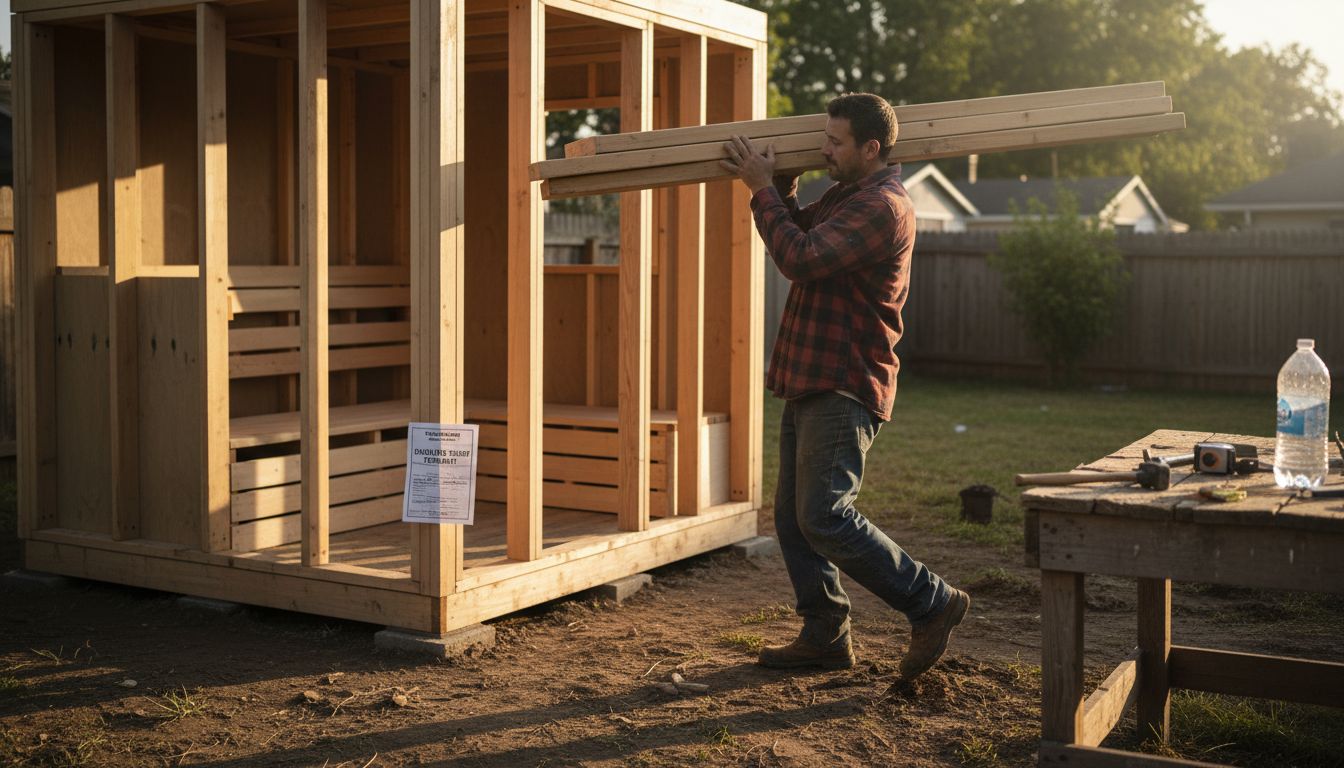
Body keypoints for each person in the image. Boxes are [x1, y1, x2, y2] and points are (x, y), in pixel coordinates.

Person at [719, 93, 969, 680]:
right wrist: (780, 190)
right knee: (792, 518)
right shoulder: (845, 195)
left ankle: (933, 602)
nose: (825, 149)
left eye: (835, 142)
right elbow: (798, 229)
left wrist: (759, 188)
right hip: (811, 377)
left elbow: (800, 257)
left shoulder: (884, 207)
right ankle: (825, 634)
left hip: (845, 381)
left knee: (825, 515)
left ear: (871, 148)